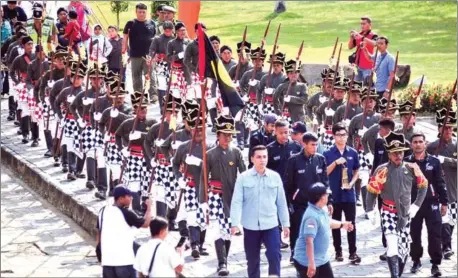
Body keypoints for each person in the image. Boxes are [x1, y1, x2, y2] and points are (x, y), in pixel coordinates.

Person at [366, 131, 428, 278]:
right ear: (389, 153)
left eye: (400, 152)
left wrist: (416, 205)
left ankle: (397, 274)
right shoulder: (382, 170)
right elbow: (372, 191)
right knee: (392, 246)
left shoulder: (412, 167)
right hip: (388, 212)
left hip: (405, 214)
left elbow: (424, 186)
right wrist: (370, 210)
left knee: (404, 249)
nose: (398, 156)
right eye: (394, 153)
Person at [231, 145, 290, 278]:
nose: (262, 160)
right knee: (252, 260)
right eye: (258, 157)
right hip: (250, 226)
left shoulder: (275, 177)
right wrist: (234, 223)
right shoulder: (243, 178)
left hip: (271, 225)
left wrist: (286, 224)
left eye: (264, 156)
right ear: (252, 159)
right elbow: (236, 201)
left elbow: (281, 202)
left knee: (275, 256)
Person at [200, 114, 246, 276]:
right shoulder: (210, 154)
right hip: (215, 196)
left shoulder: (236, 152)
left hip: (231, 196)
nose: (228, 138)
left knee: (228, 230)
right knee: (219, 229)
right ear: (218, 134)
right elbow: (203, 179)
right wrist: (203, 199)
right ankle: (222, 263)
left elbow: (244, 174)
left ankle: (224, 260)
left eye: (230, 135)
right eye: (225, 134)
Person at [405, 132, 447, 277]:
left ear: (425, 143)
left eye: (420, 142)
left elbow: (440, 183)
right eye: (415, 142)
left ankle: (435, 264)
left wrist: (444, 202)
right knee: (414, 234)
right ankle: (416, 260)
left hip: (432, 203)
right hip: (413, 205)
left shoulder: (434, 162)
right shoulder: (406, 162)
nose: (417, 144)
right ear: (411, 145)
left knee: (435, 235)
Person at [285, 132, 330, 263]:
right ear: (304, 144)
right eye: (312, 144)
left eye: (316, 144)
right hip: (299, 203)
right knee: (298, 229)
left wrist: (330, 201)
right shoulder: (293, 160)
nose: (315, 147)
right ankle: (295, 253)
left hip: (317, 204)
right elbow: (288, 184)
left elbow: (326, 182)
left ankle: (315, 254)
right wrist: (289, 204)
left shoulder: (320, 159)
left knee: (318, 229)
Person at [293, 182, 354, 278]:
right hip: (306, 262)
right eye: (326, 195)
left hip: (322, 259)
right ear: (321, 198)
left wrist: (342, 225)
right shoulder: (311, 217)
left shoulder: (320, 209)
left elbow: (327, 222)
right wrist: (311, 263)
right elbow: (309, 241)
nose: (328, 196)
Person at [324, 123, 361, 264]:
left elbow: (357, 170)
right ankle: (338, 251)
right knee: (336, 223)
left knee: (351, 222)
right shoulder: (327, 153)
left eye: (344, 134)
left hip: (349, 194)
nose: (342, 137)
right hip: (334, 194)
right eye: (338, 135)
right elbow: (324, 173)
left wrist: (352, 183)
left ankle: (353, 252)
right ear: (334, 136)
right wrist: (335, 163)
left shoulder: (352, 152)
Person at [97, 186, 152, 278]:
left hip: (107, 262)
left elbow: (99, 233)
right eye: (129, 196)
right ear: (121, 199)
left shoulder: (102, 211)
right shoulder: (126, 213)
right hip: (124, 262)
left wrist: (99, 253)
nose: (131, 198)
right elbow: (146, 224)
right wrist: (149, 207)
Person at [116, 91, 156, 214]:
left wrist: (142, 135)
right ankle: (136, 208)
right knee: (134, 184)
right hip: (133, 157)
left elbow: (154, 137)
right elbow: (118, 135)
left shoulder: (152, 123)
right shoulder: (128, 123)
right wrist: (122, 149)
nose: (143, 111)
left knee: (146, 184)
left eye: (144, 108)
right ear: (135, 109)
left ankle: (144, 208)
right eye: (140, 108)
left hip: (146, 158)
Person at [427, 109, 457, 260]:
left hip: (454, 188)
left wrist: (447, 160)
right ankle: (446, 246)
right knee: (443, 219)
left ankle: (445, 243)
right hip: (438, 189)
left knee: (452, 221)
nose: (448, 130)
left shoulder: (456, 144)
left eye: (451, 127)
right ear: (440, 128)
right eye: (445, 127)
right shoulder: (432, 146)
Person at [69, 64, 106, 189]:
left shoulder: (105, 94)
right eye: (94, 78)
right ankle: (90, 179)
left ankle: (99, 180)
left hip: (101, 127)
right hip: (89, 126)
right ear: (90, 80)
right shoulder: (84, 94)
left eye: (99, 78)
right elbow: (72, 106)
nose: (96, 81)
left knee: (100, 155)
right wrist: (79, 119)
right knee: (90, 151)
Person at [55, 60, 87, 181]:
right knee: (70, 145)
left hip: (82, 123)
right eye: (75, 77)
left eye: (80, 78)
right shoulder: (66, 91)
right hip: (69, 121)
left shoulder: (87, 93)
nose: (77, 80)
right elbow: (56, 103)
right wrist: (60, 117)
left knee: (82, 145)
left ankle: (79, 169)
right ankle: (71, 169)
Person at [122, 3, 157, 103]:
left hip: (149, 55)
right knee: (136, 77)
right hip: (135, 54)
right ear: (136, 12)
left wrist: (155, 54)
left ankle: (153, 96)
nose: (141, 14)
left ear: (146, 12)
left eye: (143, 12)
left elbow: (156, 39)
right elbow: (125, 38)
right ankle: (139, 96)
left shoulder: (152, 23)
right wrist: (124, 52)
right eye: (139, 12)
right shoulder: (130, 23)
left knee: (150, 76)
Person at [273, 59, 308, 127]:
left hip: (299, 118)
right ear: (287, 74)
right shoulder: (282, 86)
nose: (293, 75)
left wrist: (291, 98)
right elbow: (275, 100)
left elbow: (305, 99)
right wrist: (278, 113)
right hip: (285, 117)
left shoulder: (302, 86)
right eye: (291, 73)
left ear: (298, 74)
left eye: (296, 73)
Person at [149, 20, 174, 108]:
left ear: (172, 30)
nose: (168, 32)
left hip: (173, 65)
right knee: (162, 86)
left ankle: (171, 107)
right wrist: (154, 56)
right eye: (166, 30)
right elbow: (152, 50)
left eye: (169, 30)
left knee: (172, 87)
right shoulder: (157, 39)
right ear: (163, 30)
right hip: (161, 65)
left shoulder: (175, 39)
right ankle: (162, 107)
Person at [348, 16, 378, 83]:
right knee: (356, 87)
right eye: (361, 24)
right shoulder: (359, 34)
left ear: (370, 25)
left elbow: (375, 43)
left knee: (367, 87)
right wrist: (351, 38)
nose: (362, 26)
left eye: (364, 24)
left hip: (368, 67)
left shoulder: (373, 35)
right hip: (357, 66)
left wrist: (362, 38)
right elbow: (350, 47)